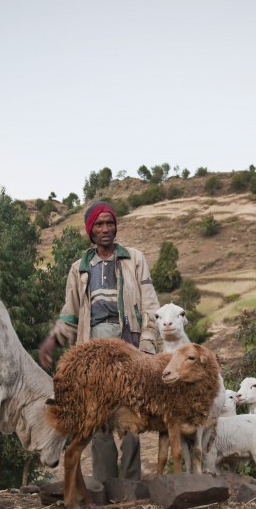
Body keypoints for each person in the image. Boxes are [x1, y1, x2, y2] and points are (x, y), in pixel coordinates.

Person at [38, 200, 160, 481]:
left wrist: (147, 344)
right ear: (90, 231)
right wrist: (51, 341)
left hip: (129, 345)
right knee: (98, 416)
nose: (105, 229)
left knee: (132, 415)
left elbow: (150, 305)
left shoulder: (134, 259)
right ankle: (104, 485)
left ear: (116, 226)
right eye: (99, 224)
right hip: (93, 349)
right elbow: (70, 314)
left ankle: (130, 483)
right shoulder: (80, 268)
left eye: (109, 223)